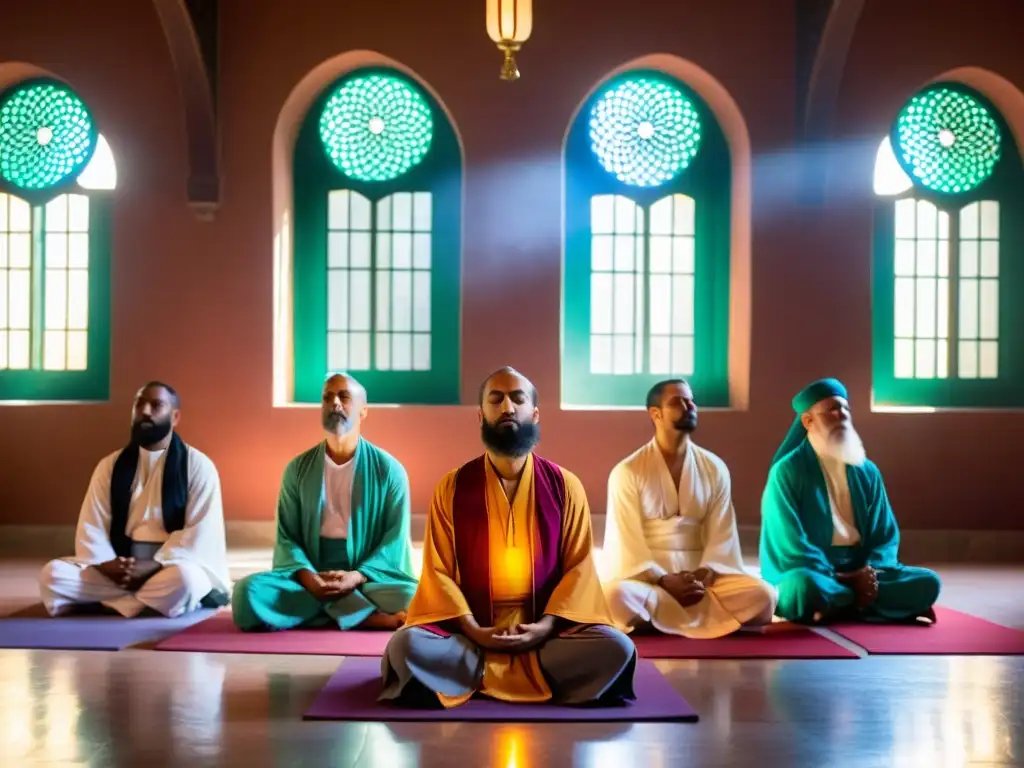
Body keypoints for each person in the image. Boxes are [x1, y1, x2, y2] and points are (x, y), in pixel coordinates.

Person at [380, 367, 636, 709]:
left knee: (617, 648)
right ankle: (527, 675)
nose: (507, 408)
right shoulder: (453, 486)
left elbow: (580, 568)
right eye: (496, 399)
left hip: (547, 636)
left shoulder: (565, 486)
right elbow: (437, 572)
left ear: (535, 412)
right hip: (470, 633)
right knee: (406, 645)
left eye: (518, 398)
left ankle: (471, 676)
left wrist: (544, 627)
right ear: (481, 414)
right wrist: (474, 630)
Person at [231, 373, 417, 631]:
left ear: (363, 412)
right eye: (327, 398)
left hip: (366, 575)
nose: (335, 404)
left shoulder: (389, 471)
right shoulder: (297, 469)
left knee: (416, 598)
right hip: (311, 571)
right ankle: (365, 618)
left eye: (344, 397)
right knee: (244, 594)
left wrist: (355, 576)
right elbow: (287, 537)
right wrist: (311, 580)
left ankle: (323, 614)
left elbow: (394, 541)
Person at [38, 381, 230, 618]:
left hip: (170, 566)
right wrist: (108, 564)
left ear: (175, 416)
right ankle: (145, 604)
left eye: (156, 405)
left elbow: (200, 533)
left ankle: (109, 603)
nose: (145, 412)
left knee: (187, 581)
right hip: (118, 568)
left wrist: (156, 564)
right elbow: (92, 525)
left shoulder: (198, 466)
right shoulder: (110, 466)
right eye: (140, 404)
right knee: (53, 574)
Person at [602, 379, 777, 638]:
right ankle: (687, 615)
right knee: (614, 597)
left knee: (764, 596)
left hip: (702, 581)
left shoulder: (714, 467)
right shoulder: (627, 472)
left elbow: (722, 533)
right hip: (648, 581)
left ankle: (658, 620)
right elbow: (625, 540)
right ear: (656, 414)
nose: (689, 406)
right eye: (678, 402)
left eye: (690, 400)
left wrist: (703, 574)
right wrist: (664, 579)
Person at [759, 377, 941, 624]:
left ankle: (840, 604)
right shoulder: (787, 471)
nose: (841, 415)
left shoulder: (867, 471)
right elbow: (790, 543)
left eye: (845, 409)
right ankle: (867, 604)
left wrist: (870, 572)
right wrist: (842, 578)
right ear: (808, 421)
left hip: (863, 568)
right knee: (803, 587)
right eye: (831, 410)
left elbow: (885, 535)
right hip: (813, 570)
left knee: (928, 582)